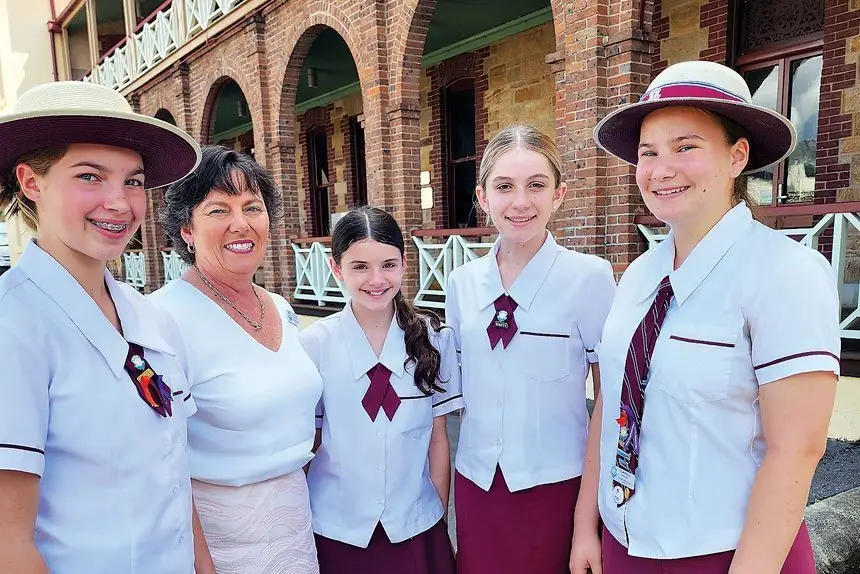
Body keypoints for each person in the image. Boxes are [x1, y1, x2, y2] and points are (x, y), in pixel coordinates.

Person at [570, 60, 840, 574]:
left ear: (738, 156)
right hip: (627, 545)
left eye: (685, 147)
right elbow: (612, 405)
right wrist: (589, 526)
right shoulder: (638, 276)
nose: (660, 168)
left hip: (728, 554)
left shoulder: (785, 273)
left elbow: (798, 448)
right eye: (648, 153)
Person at [0, 81, 201, 573]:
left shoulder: (149, 316)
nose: (119, 202)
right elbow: (8, 541)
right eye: (91, 177)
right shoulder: (14, 324)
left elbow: (176, 481)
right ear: (31, 182)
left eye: (133, 181)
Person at [444, 124, 617, 574]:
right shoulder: (462, 283)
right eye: (504, 187)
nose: (520, 202)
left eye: (536, 185)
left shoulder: (590, 279)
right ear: (483, 197)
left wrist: (586, 523)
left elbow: (609, 404)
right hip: (478, 487)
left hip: (557, 488)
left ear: (558, 194)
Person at [149, 145, 322, 573]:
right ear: (187, 228)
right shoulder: (161, 318)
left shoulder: (280, 306)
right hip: (220, 544)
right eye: (218, 210)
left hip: (297, 527)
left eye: (252, 207)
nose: (240, 224)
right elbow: (157, 462)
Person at [299, 206, 462, 574]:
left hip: (416, 525)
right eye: (360, 267)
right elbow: (312, 442)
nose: (376, 279)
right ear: (336, 268)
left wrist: (434, 513)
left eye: (388, 264)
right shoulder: (313, 346)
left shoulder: (434, 338)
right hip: (337, 529)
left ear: (405, 263)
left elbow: (438, 439)